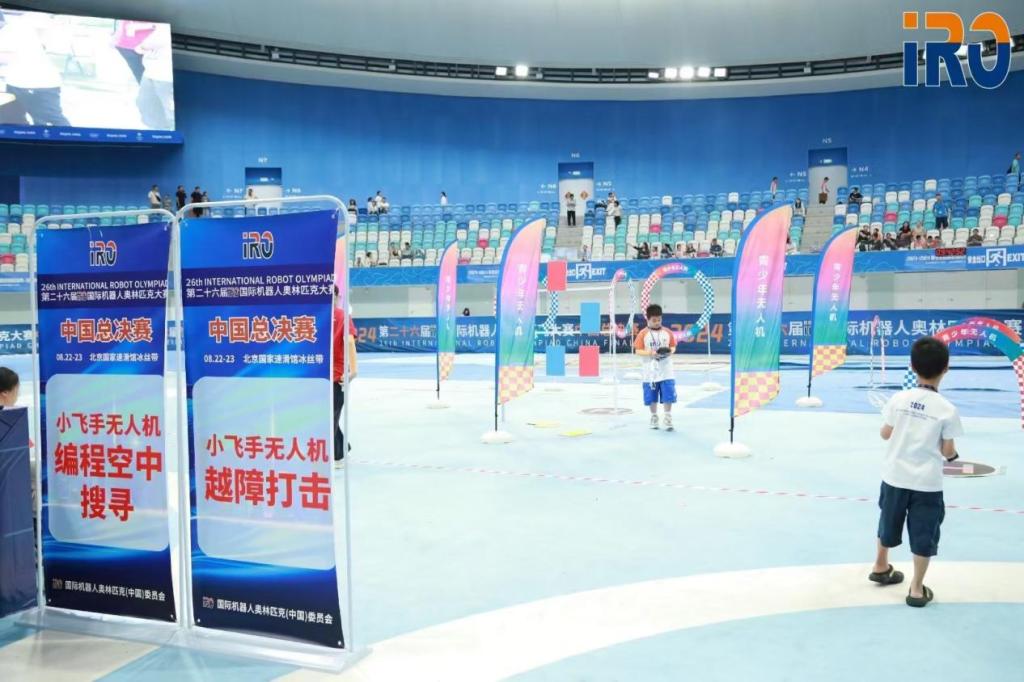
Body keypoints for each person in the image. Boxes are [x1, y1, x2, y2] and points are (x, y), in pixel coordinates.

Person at [870, 336, 962, 607]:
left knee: (888, 522)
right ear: (946, 369)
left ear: (912, 366)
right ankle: (917, 589)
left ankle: (880, 565)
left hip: (894, 477)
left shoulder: (899, 398)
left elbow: (885, 433)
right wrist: (953, 456)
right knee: (924, 532)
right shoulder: (947, 409)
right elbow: (947, 451)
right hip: (926, 483)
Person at [634, 304, 677, 431]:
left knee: (668, 394)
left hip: (666, 371)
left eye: (659, 319)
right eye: (654, 320)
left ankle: (668, 417)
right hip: (650, 372)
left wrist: (669, 352)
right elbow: (638, 350)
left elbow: (673, 346)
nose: (657, 322)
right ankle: (654, 417)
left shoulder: (667, 332)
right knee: (651, 396)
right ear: (648, 319)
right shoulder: (643, 334)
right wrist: (650, 353)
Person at [331, 289, 358, 466]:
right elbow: (349, 341)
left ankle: (338, 454)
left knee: (328, 417)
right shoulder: (342, 316)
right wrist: (353, 370)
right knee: (331, 418)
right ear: (336, 297)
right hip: (337, 376)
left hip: (321, 375)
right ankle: (338, 454)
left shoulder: (312, 316)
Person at [135, 26, 174, 130]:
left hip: (165, 76)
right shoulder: (159, 27)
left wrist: (142, 46)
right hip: (150, 71)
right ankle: (160, 131)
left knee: (169, 109)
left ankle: (169, 132)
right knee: (145, 103)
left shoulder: (164, 30)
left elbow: (144, 46)